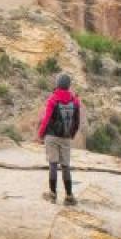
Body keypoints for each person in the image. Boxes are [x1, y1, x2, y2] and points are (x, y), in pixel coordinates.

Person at [36, 72, 83, 205]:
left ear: (57, 84)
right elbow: (77, 121)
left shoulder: (53, 99)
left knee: (53, 164)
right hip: (65, 137)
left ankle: (52, 194)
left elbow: (46, 119)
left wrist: (41, 134)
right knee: (66, 166)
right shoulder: (75, 101)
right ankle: (69, 196)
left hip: (51, 136)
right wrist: (71, 134)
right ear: (69, 85)